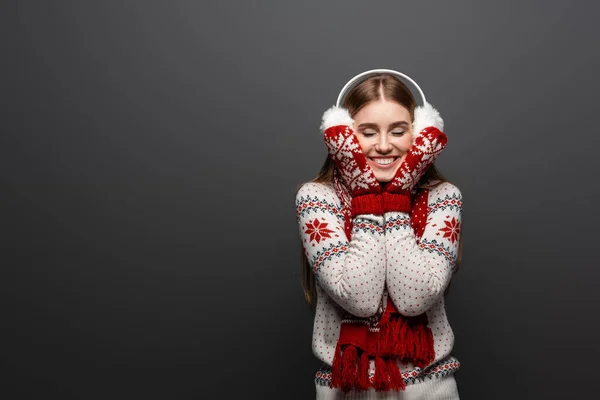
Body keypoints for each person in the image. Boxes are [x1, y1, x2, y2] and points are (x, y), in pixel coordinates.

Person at [295, 69, 463, 399]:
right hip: (345, 389)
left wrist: (398, 196)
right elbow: (360, 298)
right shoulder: (317, 198)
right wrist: (368, 198)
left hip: (430, 390)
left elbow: (415, 299)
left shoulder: (444, 196)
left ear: (421, 136)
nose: (384, 146)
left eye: (398, 131)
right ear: (339, 135)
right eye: (367, 133)